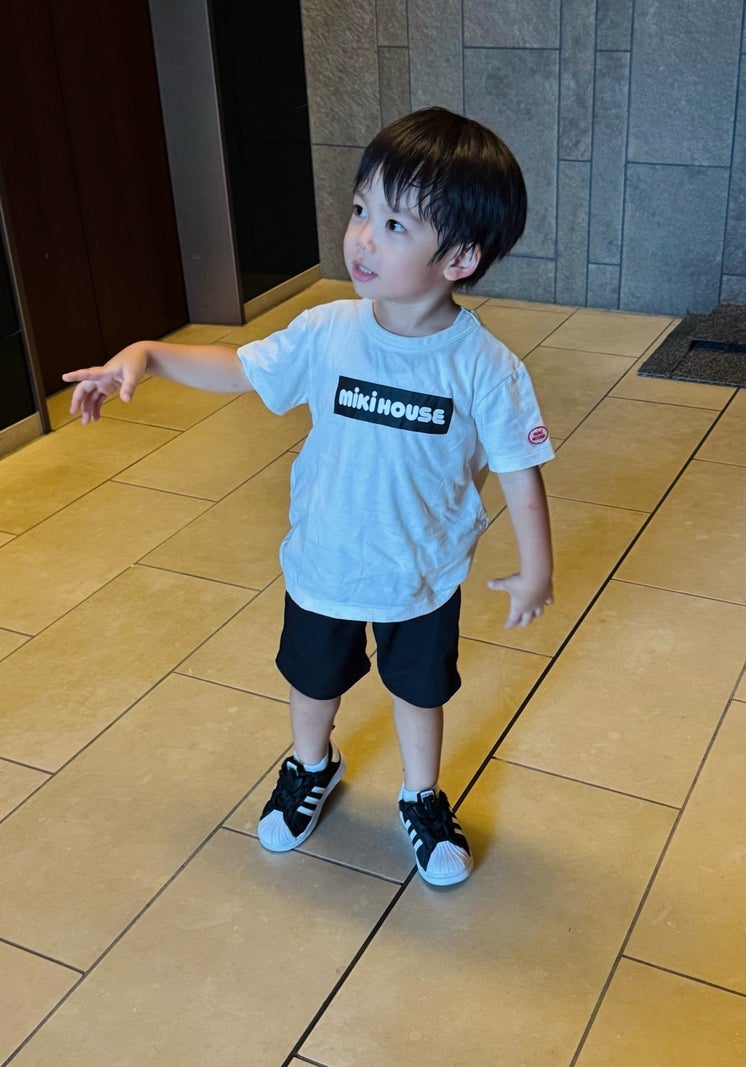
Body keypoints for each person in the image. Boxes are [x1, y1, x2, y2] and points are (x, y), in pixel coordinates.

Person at [63, 107, 555, 888]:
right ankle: (310, 764)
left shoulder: (485, 367)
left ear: (461, 257)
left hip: (422, 572)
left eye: (395, 225)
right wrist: (149, 355)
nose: (362, 237)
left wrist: (536, 569)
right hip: (325, 558)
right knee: (312, 680)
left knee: (418, 690)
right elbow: (240, 367)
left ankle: (421, 796)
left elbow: (522, 472)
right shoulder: (330, 329)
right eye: (361, 209)